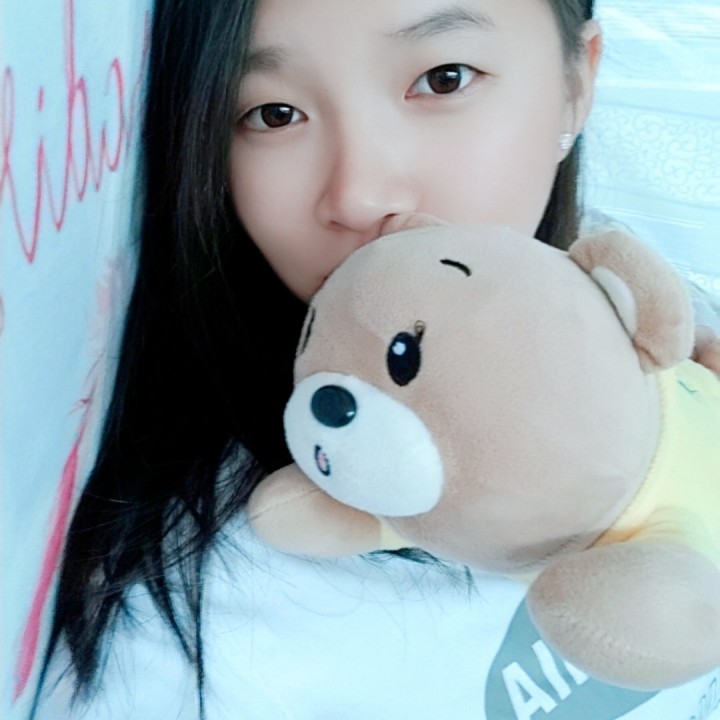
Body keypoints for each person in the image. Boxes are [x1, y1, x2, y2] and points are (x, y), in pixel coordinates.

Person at [32, 1, 720, 718]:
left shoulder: (669, 334)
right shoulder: (186, 639)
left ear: (577, 84)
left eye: (445, 78)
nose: (359, 195)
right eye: (273, 115)